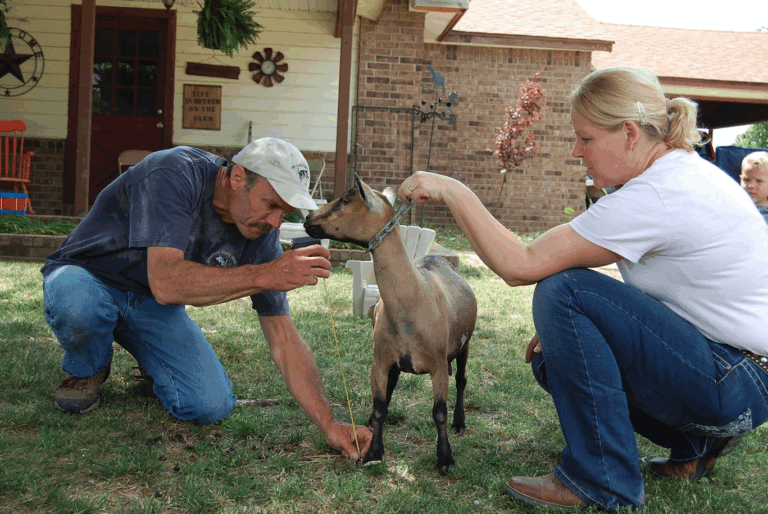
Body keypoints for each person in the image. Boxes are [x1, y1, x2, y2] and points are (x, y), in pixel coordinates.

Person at [398, 67, 768, 511]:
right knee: (553, 361)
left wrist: (453, 190)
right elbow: (692, 291)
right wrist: (580, 336)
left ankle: (601, 480)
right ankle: (694, 447)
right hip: (744, 377)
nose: (577, 151)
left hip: (732, 379)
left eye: (586, 138)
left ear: (629, 133)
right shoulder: (682, 174)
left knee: (562, 290)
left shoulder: (655, 195)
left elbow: (523, 265)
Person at [42, 137, 371, 461]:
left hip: (149, 302)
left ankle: (149, 360)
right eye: (271, 204)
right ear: (238, 178)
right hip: (87, 275)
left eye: (284, 213)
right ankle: (88, 369)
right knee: (79, 306)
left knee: (209, 405)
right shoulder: (172, 172)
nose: (275, 222)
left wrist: (329, 423)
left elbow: (283, 338)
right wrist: (265, 275)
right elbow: (167, 281)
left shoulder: (260, 236)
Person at [739, 151, 768, 222]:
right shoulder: (736, 206)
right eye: (746, 180)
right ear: (740, 179)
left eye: (759, 181)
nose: (751, 186)